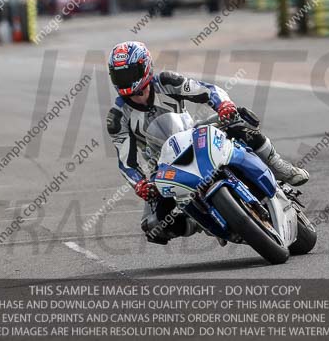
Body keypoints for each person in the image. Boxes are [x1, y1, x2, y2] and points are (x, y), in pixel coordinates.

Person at [106, 41, 309, 245]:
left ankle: (279, 167)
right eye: (119, 75)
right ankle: (198, 221)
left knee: (239, 121)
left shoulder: (167, 81)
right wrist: (140, 183)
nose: (126, 81)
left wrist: (224, 106)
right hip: (163, 166)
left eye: (130, 73)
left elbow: (207, 90)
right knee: (154, 227)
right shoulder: (117, 117)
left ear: (146, 66)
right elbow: (126, 163)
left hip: (195, 135)